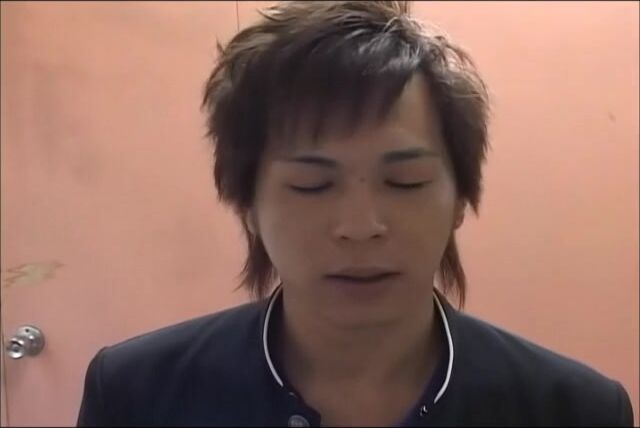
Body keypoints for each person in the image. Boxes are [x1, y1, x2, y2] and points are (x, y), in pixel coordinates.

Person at [77, 1, 634, 426]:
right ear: (248, 205)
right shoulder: (137, 394)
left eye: (405, 182)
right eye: (312, 185)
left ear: (460, 200)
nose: (361, 226)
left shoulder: (574, 409)